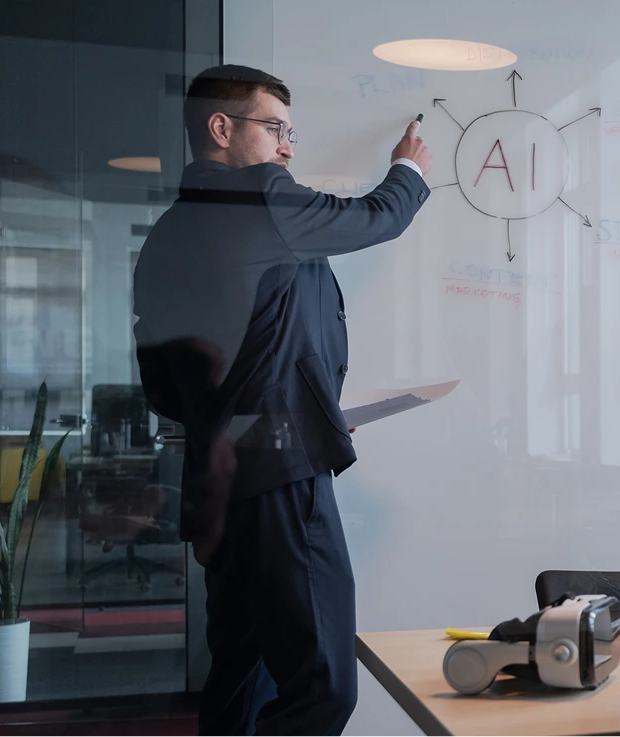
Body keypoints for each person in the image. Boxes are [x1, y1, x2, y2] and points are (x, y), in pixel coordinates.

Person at [132, 64, 432, 737]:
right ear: (221, 128)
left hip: (219, 484)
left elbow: (163, 383)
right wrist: (407, 170)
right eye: (276, 129)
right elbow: (377, 217)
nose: (289, 148)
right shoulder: (261, 198)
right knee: (322, 687)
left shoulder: (164, 238)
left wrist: (251, 407)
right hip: (280, 476)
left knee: (241, 675)